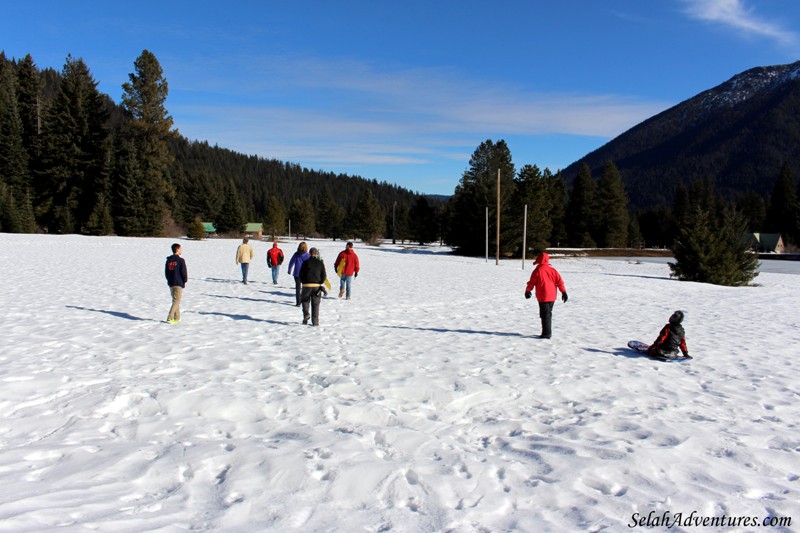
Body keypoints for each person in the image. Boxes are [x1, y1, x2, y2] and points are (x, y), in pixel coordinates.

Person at [524, 252, 568, 339]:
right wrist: (563, 292)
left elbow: (531, 282)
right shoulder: (553, 270)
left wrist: (527, 291)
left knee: (545, 314)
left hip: (543, 296)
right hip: (552, 296)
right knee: (547, 313)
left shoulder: (537, 271)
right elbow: (560, 282)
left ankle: (546, 334)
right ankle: (546, 331)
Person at [299, 247, 328, 326]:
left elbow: (301, 274)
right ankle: (315, 322)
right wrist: (320, 282)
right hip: (316, 286)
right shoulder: (320, 263)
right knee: (315, 304)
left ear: (309, 253)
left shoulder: (305, 262)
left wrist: (303, 282)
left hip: (306, 285)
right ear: (316, 253)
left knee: (305, 301)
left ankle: (306, 314)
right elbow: (324, 275)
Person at [165, 243, 188, 324]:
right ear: (177, 249)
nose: (182, 250)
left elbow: (166, 273)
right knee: (176, 301)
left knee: (175, 300)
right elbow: (184, 272)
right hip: (178, 283)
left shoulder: (169, 260)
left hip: (171, 283)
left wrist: (169, 280)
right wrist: (184, 281)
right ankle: (170, 317)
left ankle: (177, 318)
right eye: (181, 248)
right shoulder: (180, 260)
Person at [287, 241, 310, 306]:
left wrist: (289, 269)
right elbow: (309, 264)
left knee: (298, 288)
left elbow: (291, 262)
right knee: (305, 287)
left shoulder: (296, 254)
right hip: (304, 273)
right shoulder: (307, 255)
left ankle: (298, 302)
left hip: (296, 273)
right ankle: (304, 300)